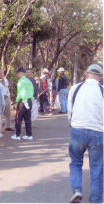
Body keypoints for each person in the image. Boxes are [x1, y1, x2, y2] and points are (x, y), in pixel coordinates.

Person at [67, 64, 103, 203]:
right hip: (98, 132)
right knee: (97, 168)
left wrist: (72, 124)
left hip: (78, 130)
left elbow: (70, 111)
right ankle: (96, 200)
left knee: (75, 162)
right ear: (101, 77)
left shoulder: (75, 88)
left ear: (86, 74)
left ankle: (76, 190)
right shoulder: (102, 90)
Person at [11, 67, 34, 141]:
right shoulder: (29, 81)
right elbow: (32, 91)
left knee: (18, 118)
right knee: (28, 118)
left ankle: (17, 135)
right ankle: (29, 135)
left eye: (17, 74)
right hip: (29, 100)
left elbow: (22, 93)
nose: (17, 75)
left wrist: (22, 101)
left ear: (20, 73)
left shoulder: (21, 81)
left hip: (23, 101)